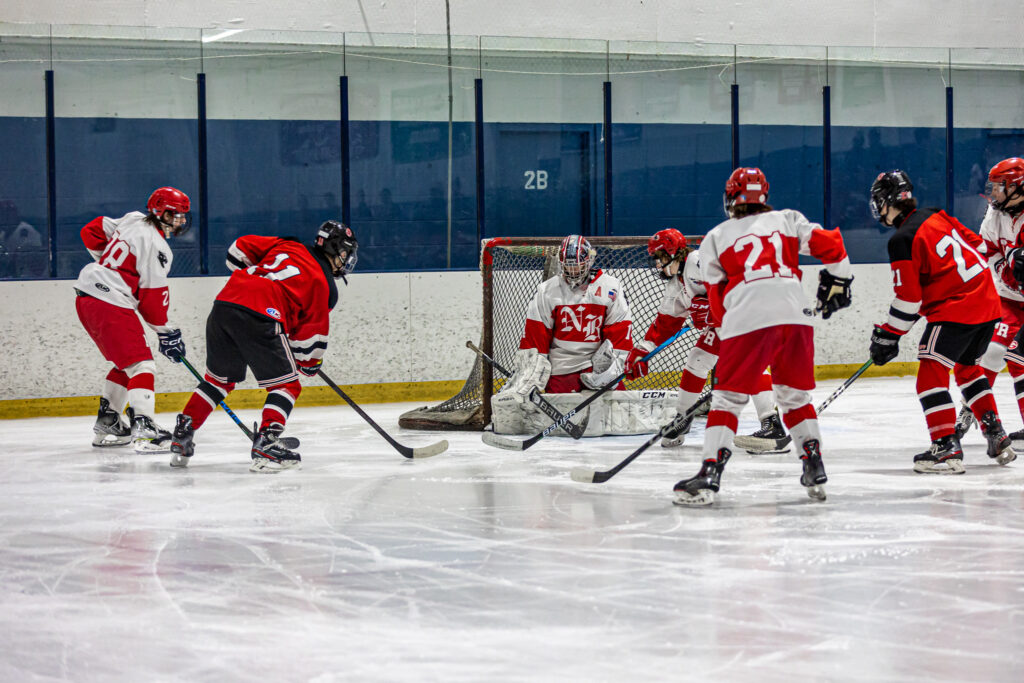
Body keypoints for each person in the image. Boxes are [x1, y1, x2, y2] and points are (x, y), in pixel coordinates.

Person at [674, 167, 853, 505]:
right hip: (796, 315)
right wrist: (841, 280)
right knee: (795, 398)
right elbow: (833, 245)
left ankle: (710, 471)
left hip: (748, 314)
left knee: (726, 400)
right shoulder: (788, 219)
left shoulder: (716, 237)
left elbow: (717, 298)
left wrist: (731, 333)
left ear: (730, 198)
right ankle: (812, 462)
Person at [169, 221, 358, 472]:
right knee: (288, 384)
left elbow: (237, 250)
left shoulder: (288, 244)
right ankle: (267, 443)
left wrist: (253, 283)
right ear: (338, 252)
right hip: (262, 314)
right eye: (346, 254)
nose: (346, 260)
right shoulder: (323, 285)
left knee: (218, 381)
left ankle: (184, 431)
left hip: (225, 303)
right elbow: (309, 341)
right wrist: (310, 364)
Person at [867, 170, 1016, 473]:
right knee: (966, 368)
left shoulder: (901, 240)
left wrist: (888, 335)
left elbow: (908, 301)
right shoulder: (935, 215)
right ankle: (996, 434)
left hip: (957, 309)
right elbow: (979, 247)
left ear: (887, 201)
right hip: (988, 302)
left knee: (930, 375)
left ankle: (946, 446)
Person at [624, 228, 792, 451]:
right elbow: (665, 325)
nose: (657, 264)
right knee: (698, 358)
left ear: (673, 253)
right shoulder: (677, 285)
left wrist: (713, 308)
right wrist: (642, 352)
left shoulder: (700, 261)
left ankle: (772, 424)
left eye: (660, 257)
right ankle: (683, 419)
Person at [74, 187, 191, 452]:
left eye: (184, 215)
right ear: (161, 212)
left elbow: (91, 230)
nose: (182, 221)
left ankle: (110, 422)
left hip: (87, 296)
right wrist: (166, 332)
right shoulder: (158, 248)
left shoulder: (133, 218)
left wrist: (109, 267)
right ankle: (145, 429)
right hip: (108, 300)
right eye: (177, 215)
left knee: (126, 364)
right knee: (142, 367)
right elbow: (151, 300)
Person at [499, 234, 632, 406]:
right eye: (568, 267)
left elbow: (620, 334)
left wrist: (612, 370)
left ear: (589, 261)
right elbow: (536, 337)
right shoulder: (547, 291)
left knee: (619, 411)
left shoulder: (610, 287)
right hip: (562, 369)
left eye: (578, 266)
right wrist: (530, 373)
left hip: (598, 368)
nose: (573, 272)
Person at [960, 158, 1024, 443]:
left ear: (1017, 187)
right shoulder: (994, 214)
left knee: (1019, 359)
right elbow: (989, 250)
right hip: (1009, 298)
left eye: (999, 186)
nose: (993, 192)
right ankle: (970, 409)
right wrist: (1005, 271)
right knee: (994, 352)